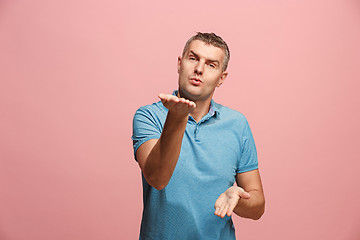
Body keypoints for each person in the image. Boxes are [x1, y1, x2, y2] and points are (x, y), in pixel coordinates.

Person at [131, 32, 265, 239]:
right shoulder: (149, 116)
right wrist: (177, 117)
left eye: (211, 64)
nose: (199, 69)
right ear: (179, 63)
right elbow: (157, 178)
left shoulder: (237, 124)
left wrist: (237, 198)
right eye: (193, 58)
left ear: (222, 78)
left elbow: (257, 207)